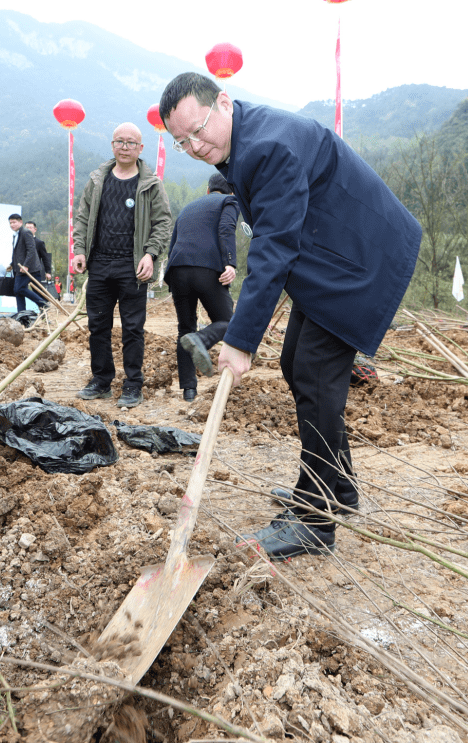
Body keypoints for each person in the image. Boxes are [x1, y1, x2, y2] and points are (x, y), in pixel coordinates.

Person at [159, 73, 422, 560]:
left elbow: (272, 248)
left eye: (198, 130)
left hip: (359, 262)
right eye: (181, 142)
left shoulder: (269, 147)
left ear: (223, 102)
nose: (194, 146)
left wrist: (238, 341)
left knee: (315, 373)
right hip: (330, 260)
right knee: (295, 361)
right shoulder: (244, 143)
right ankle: (336, 486)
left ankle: (315, 518)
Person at [72, 122, 172, 408]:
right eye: (120, 141)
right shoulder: (97, 180)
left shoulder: (150, 184)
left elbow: (163, 222)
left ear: (141, 148)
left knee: (132, 328)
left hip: (133, 268)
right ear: (112, 145)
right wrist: (80, 250)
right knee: (98, 326)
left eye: (131, 143)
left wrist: (150, 254)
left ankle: (132, 385)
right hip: (100, 264)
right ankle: (101, 381)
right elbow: (82, 217)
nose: (125, 147)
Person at [165, 172, 240, 402]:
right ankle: (203, 340)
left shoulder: (189, 207)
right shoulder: (230, 201)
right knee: (231, 324)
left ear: (208, 191)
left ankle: (189, 390)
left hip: (177, 269)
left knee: (185, 329)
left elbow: (174, 240)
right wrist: (230, 262)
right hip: (206, 268)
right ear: (232, 191)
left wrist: (171, 277)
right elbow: (226, 228)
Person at [7, 214, 47, 313]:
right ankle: (22, 315)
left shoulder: (26, 232)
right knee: (18, 291)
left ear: (20, 222)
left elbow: (31, 250)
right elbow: (18, 253)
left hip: (28, 268)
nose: (12, 225)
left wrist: (26, 265)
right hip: (18, 268)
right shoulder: (16, 234)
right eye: (10, 223)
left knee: (19, 288)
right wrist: (12, 264)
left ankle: (43, 304)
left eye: (14, 222)